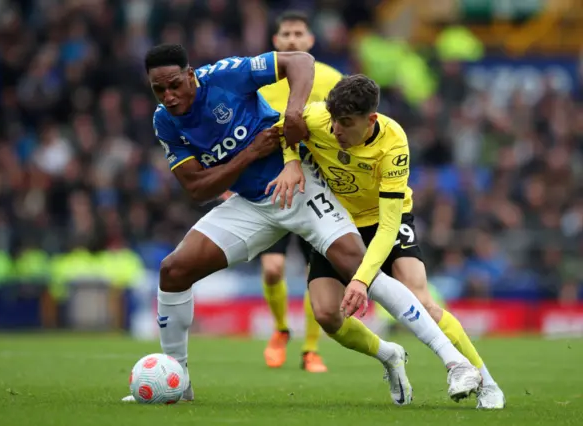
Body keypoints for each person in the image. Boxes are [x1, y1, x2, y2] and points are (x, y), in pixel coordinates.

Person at [123, 43, 477, 405]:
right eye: (158, 89)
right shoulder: (164, 121)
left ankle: (455, 363)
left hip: (302, 187)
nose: (168, 96)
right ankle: (178, 381)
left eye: (174, 85)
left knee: (362, 273)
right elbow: (197, 189)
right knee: (174, 271)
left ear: (190, 75)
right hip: (254, 204)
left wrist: (292, 118)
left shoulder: (226, 76)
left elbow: (300, 61)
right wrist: (250, 154)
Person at [269, 74, 505, 409]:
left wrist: (362, 280)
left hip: (384, 221)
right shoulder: (317, 117)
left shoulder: (394, 144)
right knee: (325, 314)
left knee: (422, 298)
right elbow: (283, 127)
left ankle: (487, 383)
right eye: (334, 121)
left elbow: (389, 224)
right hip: (335, 224)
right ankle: (389, 354)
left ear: (371, 120)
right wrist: (292, 162)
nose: (336, 131)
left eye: (346, 123)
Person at [256, 10, 343, 374]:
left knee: (316, 274)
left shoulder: (331, 79)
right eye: (285, 34)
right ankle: (280, 330)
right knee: (273, 268)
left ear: (310, 41)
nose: (292, 40)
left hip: (317, 186)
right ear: (276, 42)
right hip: (270, 183)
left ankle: (310, 350)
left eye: (298, 34)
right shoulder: (261, 80)